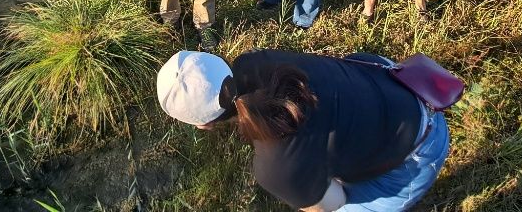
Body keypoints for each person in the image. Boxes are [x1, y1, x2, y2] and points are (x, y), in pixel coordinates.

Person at [156, 49, 450, 211]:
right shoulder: (257, 61)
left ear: (202, 123)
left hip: (420, 150)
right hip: (405, 87)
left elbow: (335, 202)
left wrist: (308, 183)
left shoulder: (276, 170)